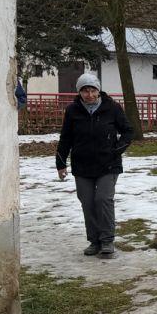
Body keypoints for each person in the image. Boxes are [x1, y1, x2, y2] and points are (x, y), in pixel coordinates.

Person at [55, 72, 134, 258]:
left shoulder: (112, 107)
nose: (89, 95)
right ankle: (94, 241)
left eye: (92, 90)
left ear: (98, 90)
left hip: (108, 163)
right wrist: (60, 163)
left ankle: (107, 240)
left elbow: (128, 131)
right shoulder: (72, 111)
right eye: (85, 91)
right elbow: (66, 138)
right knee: (88, 202)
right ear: (79, 92)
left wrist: (117, 149)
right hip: (82, 165)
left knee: (103, 199)